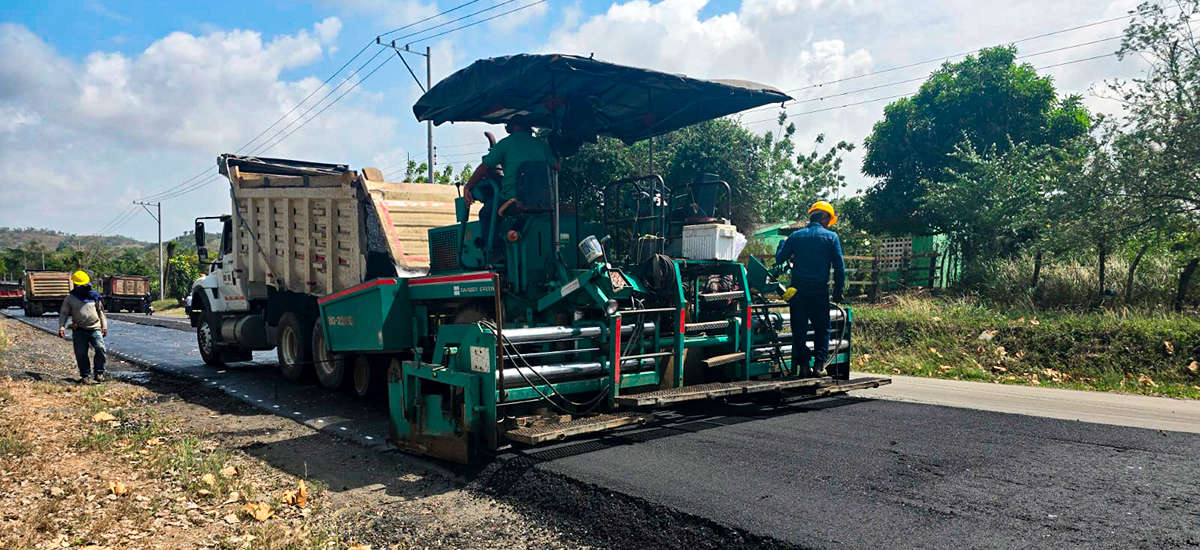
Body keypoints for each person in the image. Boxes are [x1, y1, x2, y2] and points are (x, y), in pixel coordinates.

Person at [462, 118, 559, 262]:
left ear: (511, 127)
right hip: (541, 201)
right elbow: (557, 166)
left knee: (486, 214)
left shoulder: (505, 144)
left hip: (514, 199)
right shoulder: (540, 144)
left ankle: (494, 253)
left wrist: (468, 186)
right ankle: (514, 233)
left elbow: (485, 167)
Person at [775, 201, 845, 378]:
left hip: (798, 292)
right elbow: (839, 268)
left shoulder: (796, 236)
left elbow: (779, 259)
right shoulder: (831, 238)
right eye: (828, 219)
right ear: (822, 217)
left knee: (799, 329)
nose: (828, 223)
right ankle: (820, 366)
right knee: (822, 328)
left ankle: (804, 366)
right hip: (819, 291)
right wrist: (837, 291)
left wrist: (782, 244)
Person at [58, 270, 108, 384]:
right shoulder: (70, 298)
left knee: (100, 348)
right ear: (75, 285)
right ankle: (85, 375)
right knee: (81, 353)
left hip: (95, 328)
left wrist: (104, 326)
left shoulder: (94, 296)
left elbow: (101, 313)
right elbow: (64, 313)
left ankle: (99, 373)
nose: (83, 286)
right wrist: (62, 327)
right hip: (79, 329)